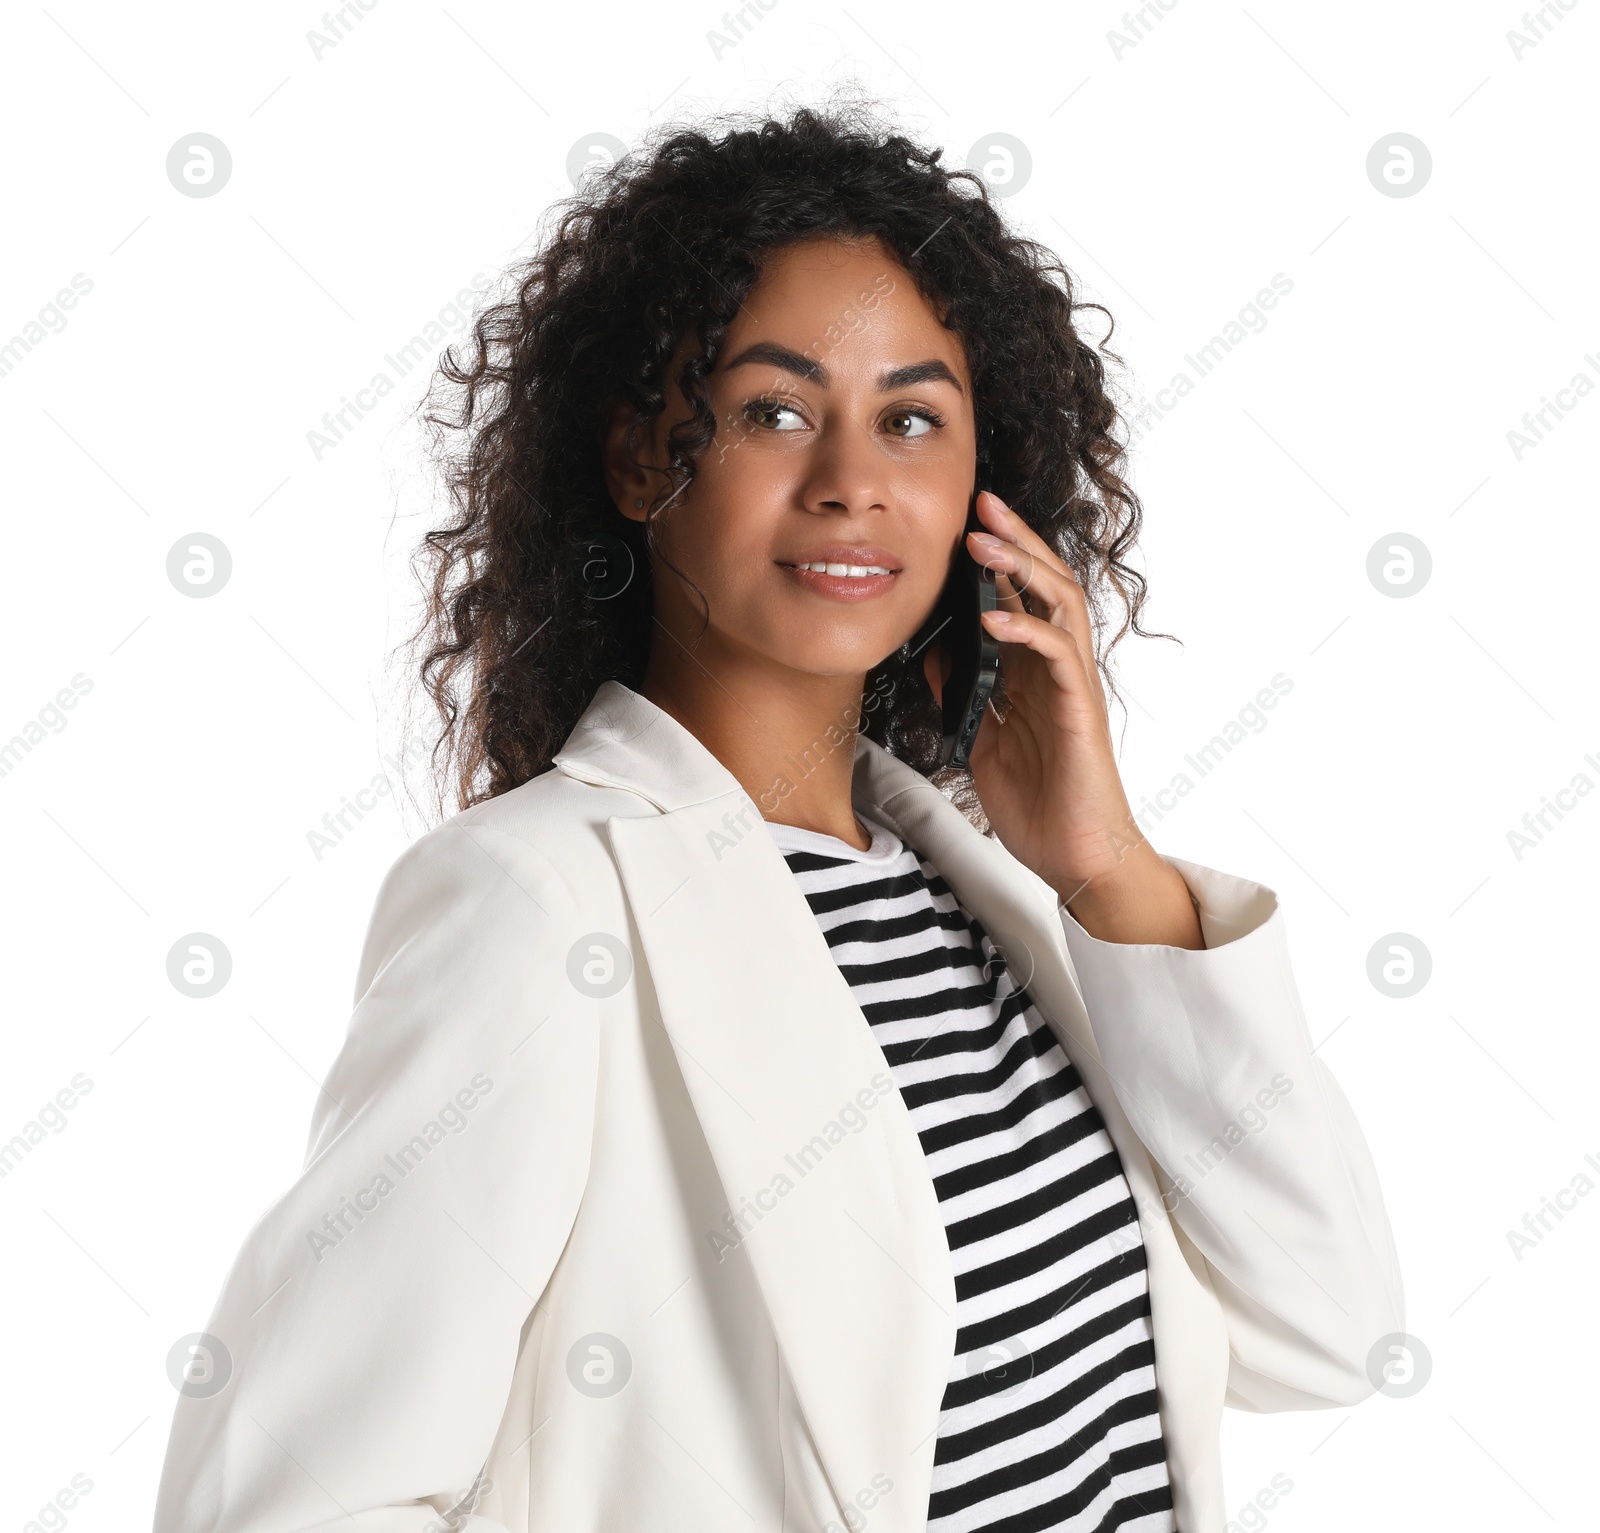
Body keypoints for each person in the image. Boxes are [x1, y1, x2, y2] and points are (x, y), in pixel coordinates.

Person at [153, 101, 1403, 1533]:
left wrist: (1108, 871)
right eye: (774, 409)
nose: (853, 479)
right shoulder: (541, 907)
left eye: (913, 417)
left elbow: (1331, 1329)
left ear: (980, 487)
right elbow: (285, 1503)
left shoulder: (993, 901)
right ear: (640, 458)